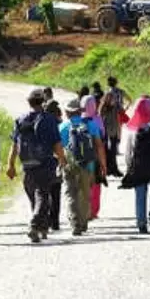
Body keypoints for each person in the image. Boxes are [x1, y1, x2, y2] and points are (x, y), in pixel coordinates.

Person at [6, 88, 66, 243]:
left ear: (29, 102)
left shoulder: (20, 119)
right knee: (42, 195)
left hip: (27, 163)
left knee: (35, 195)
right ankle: (34, 224)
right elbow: (56, 143)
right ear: (43, 102)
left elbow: (14, 144)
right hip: (45, 162)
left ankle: (42, 228)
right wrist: (62, 159)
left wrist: (10, 164)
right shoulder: (49, 119)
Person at [60, 98, 105, 236]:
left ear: (67, 112)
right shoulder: (91, 124)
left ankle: (75, 223)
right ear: (80, 111)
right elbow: (99, 146)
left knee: (71, 194)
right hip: (88, 165)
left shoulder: (62, 127)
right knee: (85, 194)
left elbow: (58, 148)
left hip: (69, 164)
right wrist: (103, 165)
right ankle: (84, 222)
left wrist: (61, 162)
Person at [120, 95, 150, 233]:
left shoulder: (132, 129)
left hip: (138, 166)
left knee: (140, 194)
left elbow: (128, 151)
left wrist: (129, 166)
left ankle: (141, 222)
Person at [82, 95, 106, 218]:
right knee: (96, 185)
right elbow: (102, 139)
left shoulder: (78, 120)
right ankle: (93, 210)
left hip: (80, 157)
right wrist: (104, 165)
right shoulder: (97, 120)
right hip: (95, 157)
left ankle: (84, 210)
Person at [100, 75, 128, 177]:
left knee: (109, 149)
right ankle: (112, 169)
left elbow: (100, 115)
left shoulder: (104, 103)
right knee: (112, 149)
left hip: (107, 128)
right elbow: (121, 113)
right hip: (113, 128)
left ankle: (108, 168)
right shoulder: (118, 99)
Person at [44, 99, 64, 232]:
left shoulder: (42, 122)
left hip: (44, 160)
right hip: (56, 160)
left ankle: (46, 219)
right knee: (56, 193)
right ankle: (55, 221)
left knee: (44, 192)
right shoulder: (59, 123)